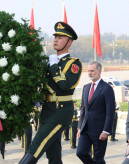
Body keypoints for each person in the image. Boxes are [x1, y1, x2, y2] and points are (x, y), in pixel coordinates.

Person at [18, 21, 82, 164]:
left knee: (35, 147)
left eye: (60, 37)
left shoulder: (73, 64)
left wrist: (53, 66)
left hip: (60, 112)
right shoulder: (49, 62)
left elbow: (64, 86)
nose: (56, 40)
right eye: (55, 37)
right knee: (53, 155)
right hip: (47, 111)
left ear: (69, 42)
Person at [76, 61, 115, 164]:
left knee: (98, 159)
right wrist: (80, 127)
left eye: (92, 71)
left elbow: (110, 112)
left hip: (100, 130)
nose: (89, 73)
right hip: (85, 129)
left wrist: (106, 131)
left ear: (99, 71)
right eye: (88, 71)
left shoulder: (107, 88)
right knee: (80, 152)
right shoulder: (86, 87)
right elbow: (83, 109)